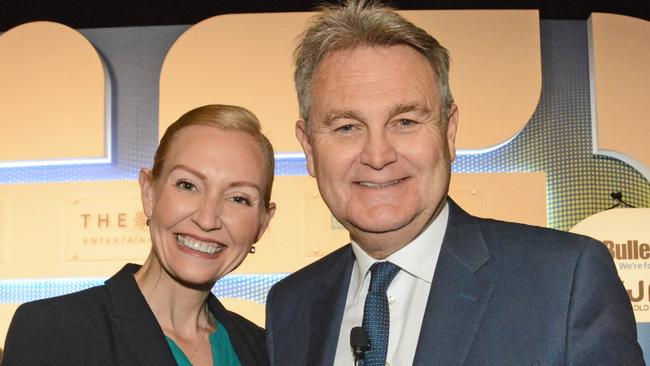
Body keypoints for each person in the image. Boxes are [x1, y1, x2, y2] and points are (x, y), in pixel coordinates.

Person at [265, 1, 644, 365]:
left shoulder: (564, 280)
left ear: (448, 133)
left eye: (406, 122)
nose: (378, 155)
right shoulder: (291, 306)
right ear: (309, 147)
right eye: (347, 127)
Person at [4, 104, 276, 365]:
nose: (207, 219)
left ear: (262, 223)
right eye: (187, 185)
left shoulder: (268, 351)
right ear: (149, 193)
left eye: (239, 199)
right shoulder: (54, 332)